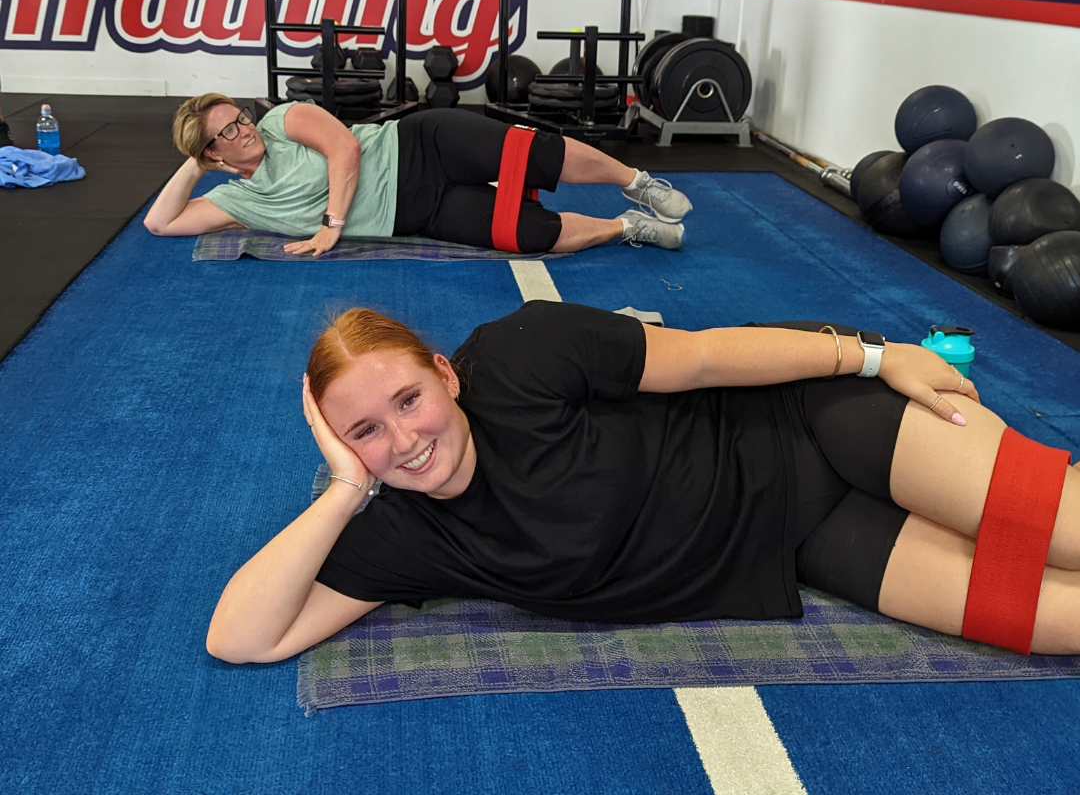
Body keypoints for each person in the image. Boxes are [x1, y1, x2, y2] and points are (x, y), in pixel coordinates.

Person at [207, 302, 1080, 664]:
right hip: (803, 542)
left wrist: (881, 357)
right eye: (366, 432)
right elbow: (241, 639)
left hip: (816, 422)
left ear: (447, 374)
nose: (405, 440)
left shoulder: (521, 355)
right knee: (1049, 623)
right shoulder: (402, 533)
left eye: (410, 400)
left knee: (1062, 528)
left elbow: (700, 356)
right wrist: (341, 493)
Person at [144, 94, 691, 253]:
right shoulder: (241, 200)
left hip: (423, 145)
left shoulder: (282, 121)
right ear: (213, 156)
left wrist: (332, 222)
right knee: (526, 235)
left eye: (239, 118)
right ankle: (627, 226)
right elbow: (160, 224)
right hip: (418, 214)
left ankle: (637, 183)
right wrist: (191, 167)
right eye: (229, 133)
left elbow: (343, 149)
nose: (245, 129)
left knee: (536, 156)